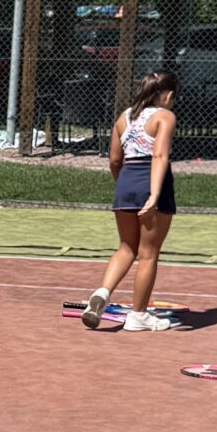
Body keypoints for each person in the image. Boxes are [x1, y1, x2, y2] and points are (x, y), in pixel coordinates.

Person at [83, 70, 180, 333]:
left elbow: (115, 160)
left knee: (126, 247)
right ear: (167, 95)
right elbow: (159, 156)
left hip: (126, 183)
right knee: (148, 254)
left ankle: (102, 292)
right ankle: (138, 315)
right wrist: (154, 195)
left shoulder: (124, 117)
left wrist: (123, 186)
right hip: (152, 183)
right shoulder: (164, 116)